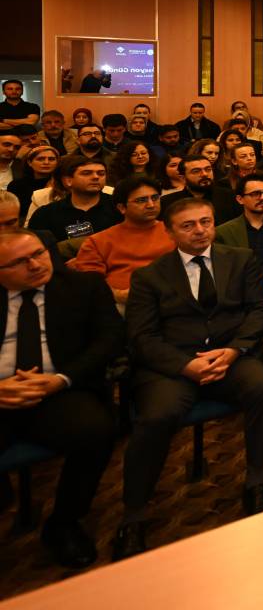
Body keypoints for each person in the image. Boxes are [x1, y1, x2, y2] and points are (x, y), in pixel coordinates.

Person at [118, 198, 263, 558]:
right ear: (170, 231)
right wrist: (184, 366)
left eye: (206, 222)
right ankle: (134, 514)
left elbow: (259, 309)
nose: (200, 231)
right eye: (188, 225)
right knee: (156, 417)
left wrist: (234, 350)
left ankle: (257, 480)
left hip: (230, 355)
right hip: (174, 366)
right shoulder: (149, 276)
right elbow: (141, 338)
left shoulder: (240, 259)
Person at [0, 229, 125, 568]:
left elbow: (110, 338)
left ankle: (65, 522)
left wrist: (60, 380)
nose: (35, 265)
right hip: (2, 394)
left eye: (39, 254)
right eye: (19, 262)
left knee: (97, 431)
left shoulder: (83, 287)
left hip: (60, 389)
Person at [68, 175, 174, 310]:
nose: (151, 205)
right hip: (120, 304)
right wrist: (117, 295)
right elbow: (90, 283)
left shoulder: (175, 232)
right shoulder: (98, 241)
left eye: (155, 198)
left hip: (171, 298)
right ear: (122, 207)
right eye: (141, 200)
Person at [28, 155, 121, 244]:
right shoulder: (46, 214)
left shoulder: (120, 207)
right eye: (86, 173)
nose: (96, 177)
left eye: (101, 174)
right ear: (68, 181)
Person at [160, 154, 239, 224]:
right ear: (183, 178)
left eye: (208, 169)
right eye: (196, 171)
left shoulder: (230, 196)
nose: (204, 174)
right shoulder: (168, 202)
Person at [7, 144, 58, 222]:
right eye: (40, 159)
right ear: (30, 162)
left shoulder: (62, 184)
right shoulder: (16, 185)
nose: (46, 162)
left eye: (51, 159)